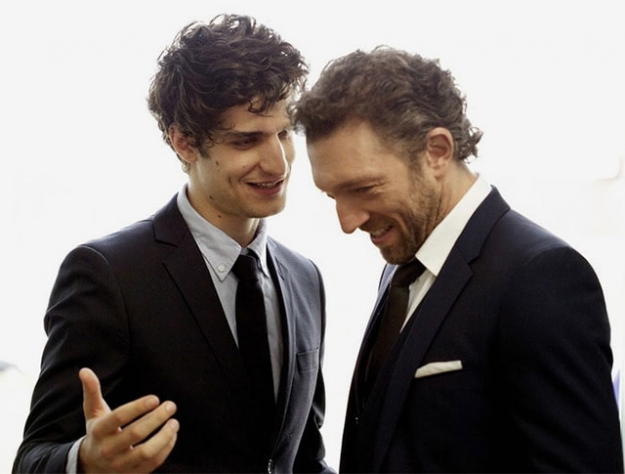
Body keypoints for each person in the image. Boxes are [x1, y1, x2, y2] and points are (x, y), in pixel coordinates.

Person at [14, 14, 332, 473]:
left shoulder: (306, 278)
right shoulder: (109, 275)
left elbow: (304, 459)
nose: (279, 162)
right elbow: (34, 457)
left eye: (284, 133)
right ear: (184, 143)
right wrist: (84, 462)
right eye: (247, 140)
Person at [294, 46, 624, 472]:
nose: (347, 221)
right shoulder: (401, 267)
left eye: (364, 189)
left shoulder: (541, 278)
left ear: (436, 151)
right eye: (332, 195)